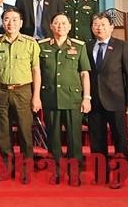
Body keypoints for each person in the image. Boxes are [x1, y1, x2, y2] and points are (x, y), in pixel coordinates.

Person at [37, 13, 91, 186]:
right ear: (51, 26)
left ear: (69, 26)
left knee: (74, 138)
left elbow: (84, 74)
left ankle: (75, 172)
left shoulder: (79, 46)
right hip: (51, 98)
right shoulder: (42, 45)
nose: (60, 26)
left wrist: (87, 98)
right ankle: (57, 171)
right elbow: (37, 73)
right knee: (53, 137)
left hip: (72, 98)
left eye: (63, 23)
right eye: (56, 23)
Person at [87, 13, 128, 189]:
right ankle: (101, 174)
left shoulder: (121, 46)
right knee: (97, 140)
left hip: (116, 100)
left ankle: (120, 175)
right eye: (95, 24)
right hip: (94, 102)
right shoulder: (87, 46)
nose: (99, 27)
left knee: (119, 139)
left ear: (111, 27)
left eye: (102, 24)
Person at [0, 9, 41, 183]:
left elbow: (36, 70)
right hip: (2, 91)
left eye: (14, 20)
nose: (10, 23)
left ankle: (26, 169)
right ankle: (7, 168)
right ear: (2, 22)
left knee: (25, 132)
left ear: (21, 23)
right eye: (6, 19)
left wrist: (36, 96)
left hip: (23, 91)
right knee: (3, 133)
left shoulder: (30, 43)